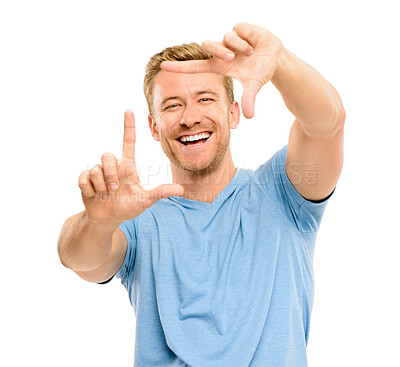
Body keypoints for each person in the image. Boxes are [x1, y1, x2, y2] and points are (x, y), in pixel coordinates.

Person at [57, 22, 345, 367]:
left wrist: (280, 62)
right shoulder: (137, 221)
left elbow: (327, 124)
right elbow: (77, 258)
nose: (190, 118)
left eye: (205, 99)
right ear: (154, 127)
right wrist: (98, 221)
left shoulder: (284, 192)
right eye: (172, 106)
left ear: (233, 113)